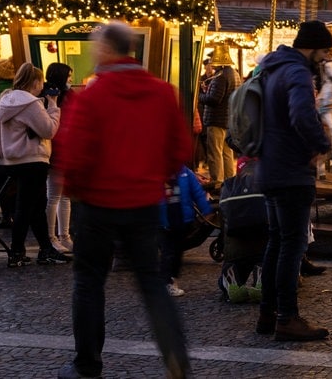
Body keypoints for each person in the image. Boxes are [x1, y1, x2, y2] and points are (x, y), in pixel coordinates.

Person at [52, 21, 193, 379]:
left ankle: (87, 364)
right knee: (151, 281)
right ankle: (176, 356)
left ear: (107, 49)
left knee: (89, 281)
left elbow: (76, 151)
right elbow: (180, 148)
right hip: (143, 201)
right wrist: (154, 175)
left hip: (99, 204)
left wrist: (77, 189)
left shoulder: (92, 95)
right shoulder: (162, 92)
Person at [254, 20, 332, 341]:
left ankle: (267, 313)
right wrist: (322, 144)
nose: (325, 58)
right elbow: (301, 115)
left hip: (270, 166)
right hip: (291, 170)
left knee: (277, 241)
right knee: (292, 244)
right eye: (324, 51)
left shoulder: (272, 67)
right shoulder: (297, 72)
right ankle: (287, 318)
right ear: (313, 47)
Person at [0, 61, 67, 268]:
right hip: (32, 160)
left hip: (10, 161)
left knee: (35, 207)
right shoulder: (30, 103)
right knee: (26, 208)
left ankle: (45, 250)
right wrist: (53, 106)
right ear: (35, 82)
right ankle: (17, 252)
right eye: (40, 82)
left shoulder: (5, 101)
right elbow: (48, 130)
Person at [159, 164, 212, 296]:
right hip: (165, 221)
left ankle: (171, 279)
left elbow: (197, 192)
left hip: (181, 220)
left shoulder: (185, 172)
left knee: (177, 252)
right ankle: (167, 281)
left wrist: (206, 210)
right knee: (168, 252)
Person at [198, 47, 242, 192]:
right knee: (227, 153)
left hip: (216, 119)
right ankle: (229, 181)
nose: (211, 63)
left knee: (215, 153)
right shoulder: (233, 73)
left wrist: (200, 97)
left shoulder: (221, 76)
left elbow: (214, 99)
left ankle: (217, 182)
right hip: (228, 120)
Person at [44, 62, 75, 254]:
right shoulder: (50, 97)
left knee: (63, 196)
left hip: (63, 149)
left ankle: (64, 236)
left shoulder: (50, 94)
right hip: (55, 150)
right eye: (69, 76)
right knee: (55, 195)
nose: (71, 80)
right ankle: (53, 237)